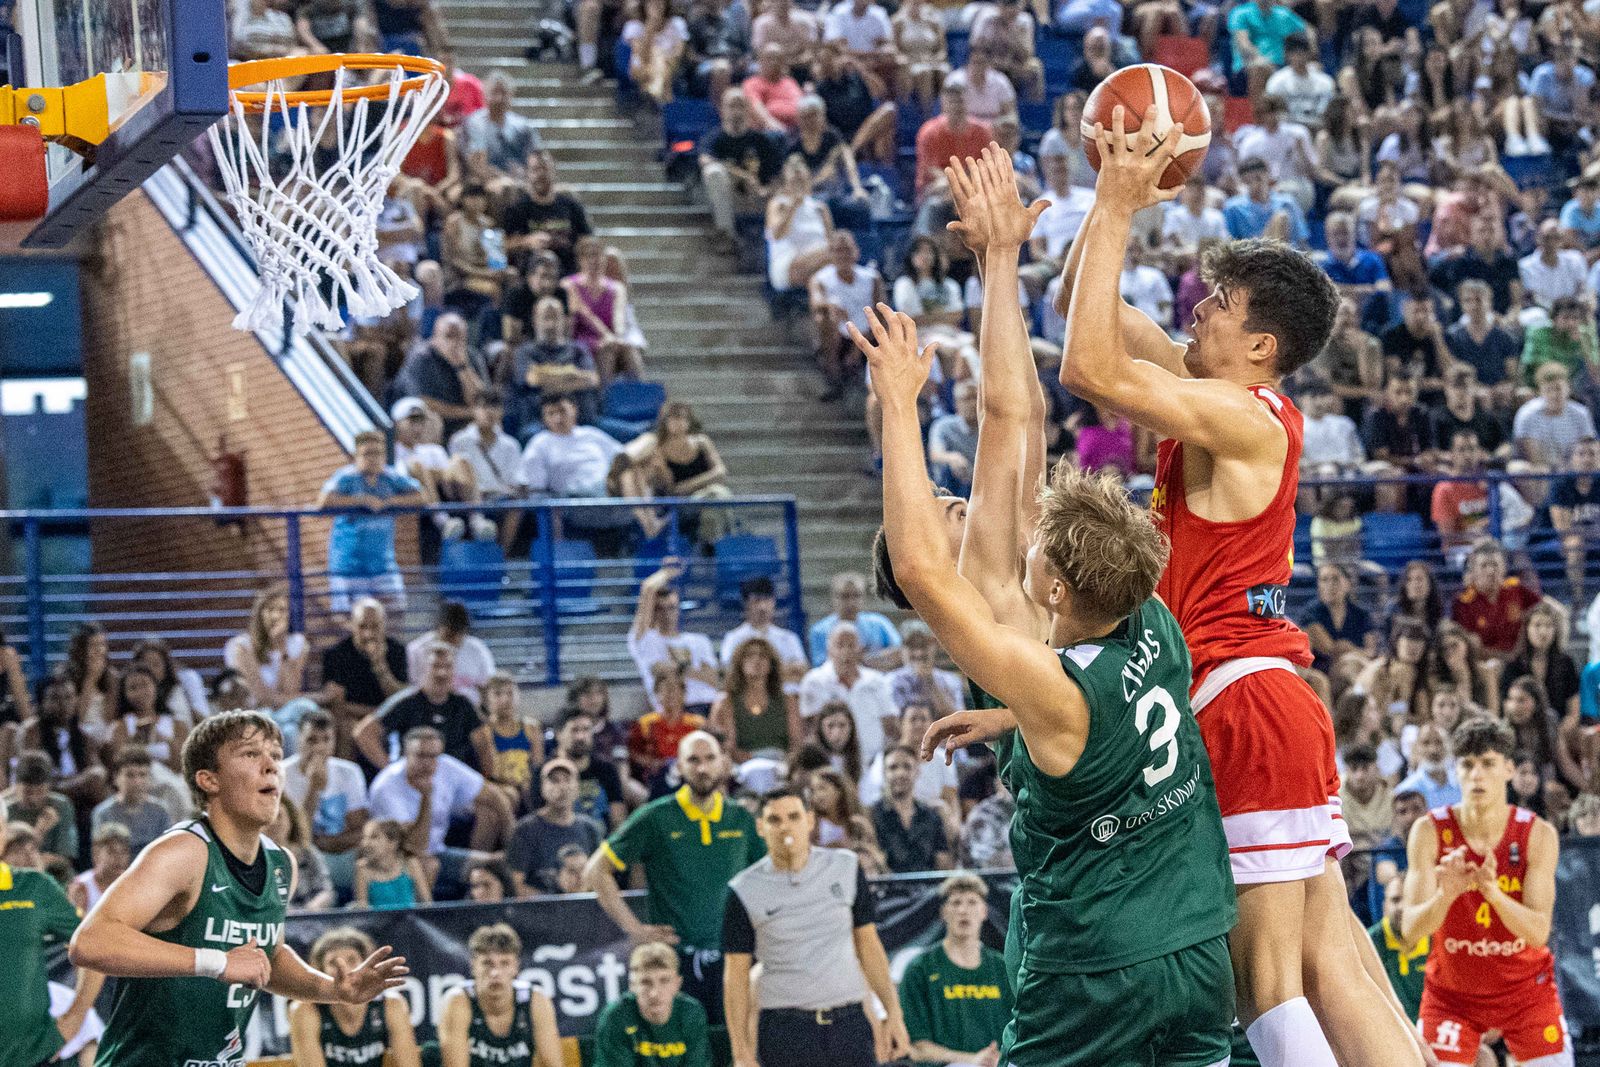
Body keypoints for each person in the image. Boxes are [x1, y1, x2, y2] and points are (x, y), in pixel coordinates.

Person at [1048, 118, 1425, 1064]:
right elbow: (1078, 307)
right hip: (1267, 697)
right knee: (1331, 960)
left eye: (1218, 300)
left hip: (1241, 698)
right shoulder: (1219, 398)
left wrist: (1122, 203)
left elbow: (1085, 367)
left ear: (1261, 344)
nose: (1197, 306)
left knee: (1267, 984)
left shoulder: (1242, 416)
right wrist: (1110, 192)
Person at [865, 285, 1238, 1067]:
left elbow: (1007, 437)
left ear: (1060, 587)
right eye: (937, 502)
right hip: (1195, 930)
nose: (955, 498)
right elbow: (1010, 428)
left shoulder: (1039, 655)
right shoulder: (1143, 610)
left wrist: (898, 404)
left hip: (1096, 944)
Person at [70, 711, 408, 1065]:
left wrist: (332, 990)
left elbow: (268, 956)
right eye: (250, 754)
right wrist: (216, 961)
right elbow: (91, 941)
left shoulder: (281, 864)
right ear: (209, 780)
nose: (271, 766)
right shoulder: (185, 852)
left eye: (276, 755)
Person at [1400, 718, 1569, 1067]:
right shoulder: (1429, 831)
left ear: (1509, 769)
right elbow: (1410, 930)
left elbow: (1538, 933)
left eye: (1488, 764)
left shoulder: (1538, 834)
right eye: (1467, 765)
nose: (1477, 775)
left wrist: (1491, 892)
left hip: (1526, 992)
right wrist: (1446, 895)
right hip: (1452, 997)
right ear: (1456, 770)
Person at [722, 787, 911, 1067]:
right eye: (774, 820)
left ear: (810, 821)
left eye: (794, 816)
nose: (785, 826)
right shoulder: (743, 890)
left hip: (849, 1022)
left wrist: (893, 1014)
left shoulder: (846, 868)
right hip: (785, 1028)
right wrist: (741, 1053)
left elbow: (868, 946)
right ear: (760, 827)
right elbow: (736, 976)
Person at [584, 731, 762, 1022]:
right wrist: (635, 929)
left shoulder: (741, 819)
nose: (702, 768)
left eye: (709, 759)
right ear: (678, 766)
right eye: (693, 760)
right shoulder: (656, 817)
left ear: (724, 763)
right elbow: (595, 871)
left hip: (733, 957)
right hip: (674, 963)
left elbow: (768, 877)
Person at [0, 794, 106, 1067]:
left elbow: (93, 947)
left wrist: (74, 1020)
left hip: (31, 1057)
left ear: (3, 833)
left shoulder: (35, 887)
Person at [367, 727, 513, 895]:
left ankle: (477, 916)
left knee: (498, 865)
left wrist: (512, 842)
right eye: (421, 756)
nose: (429, 763)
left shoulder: (445, 766)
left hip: (439, 852)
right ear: (405, 753)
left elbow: (495, 797)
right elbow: (414, 846)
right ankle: (418, 919)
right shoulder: (387, 787)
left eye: (434, 756)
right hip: (398, 860)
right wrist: (426, 798)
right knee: (429, 865)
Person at [898, 872, 1012, 1067]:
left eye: (971, 902)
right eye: (956, 903)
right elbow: (918, 1049)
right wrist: (972, 1060)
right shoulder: (919, 969)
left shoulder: (1002, 968)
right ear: (943, 912)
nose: (963, 911)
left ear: (984, 911)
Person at [317, 431, 427, 613]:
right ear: (356, 456)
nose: (373, 459)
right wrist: (362, 500)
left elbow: (421, 497)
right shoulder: (346, 478)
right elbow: (323, 501)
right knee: (348, 617)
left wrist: (389, 502)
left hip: (383, 565)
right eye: (367, 454)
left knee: (397, 610)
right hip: (348, 566)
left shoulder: (391, 477)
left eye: (378, 453)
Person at [289, 927, 422, 1067]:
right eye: (333, 963)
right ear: (320, 971)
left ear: (366, 966)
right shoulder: (305, 1010)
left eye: (352, 960)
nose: (344, 969)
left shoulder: (391, 1004)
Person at [437, 923, 562, 1067]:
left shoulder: (535, 1000)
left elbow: (553, 1064)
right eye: (487, 963)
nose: (495, 972)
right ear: (473, 966)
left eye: (504, 963)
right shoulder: (458, 1001)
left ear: (516, 967)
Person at [281, 708, 368, 893]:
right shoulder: (282, 774)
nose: (319, 747)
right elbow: (295, 834)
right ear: (298, 740)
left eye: (326, 739)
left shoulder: (349, 772)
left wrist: (329, 843)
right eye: (312, 740)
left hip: (341, 850)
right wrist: (313, 788)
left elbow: (359, 828)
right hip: (302, 854)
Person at [592, 942, 713, 1067]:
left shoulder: (691, 1013)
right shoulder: (616, 1016)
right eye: (645, 982)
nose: (654, 993)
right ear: (632, 985)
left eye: (664, 981)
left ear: (677, 984)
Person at [319, 598, 410, 761]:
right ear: (352, 625)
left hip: (389, 719)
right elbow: (337, 704)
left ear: (383, 625)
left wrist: (380, 666)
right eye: (362, 626)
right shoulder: (337, 654)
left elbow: (401, 699)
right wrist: (376, 714)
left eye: (375, 626)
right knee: (347, 729)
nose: (368, 634)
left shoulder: (397, 651)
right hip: (354, 717)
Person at [629, 563, 722, 714]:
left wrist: (678, 668)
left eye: (671, 608)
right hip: (672, 711)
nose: (666, 614)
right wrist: (667, 572)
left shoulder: (699, 640)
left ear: (678, 609)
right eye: (660, 609)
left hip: (708, 707)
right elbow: (648, 589)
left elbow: (714, 679)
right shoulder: (645, 640)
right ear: (652, 612)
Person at [800, 622, 898, 763]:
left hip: (873, 762)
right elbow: (809, 729)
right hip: (831, 762)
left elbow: (891, 726)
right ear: (829, 649)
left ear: (860, 648)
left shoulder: (877, 681)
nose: (845, 651)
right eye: (840, 645)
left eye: (851, 645)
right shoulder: (814, 681)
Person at [508, 756, 604, 896]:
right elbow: (516, 886)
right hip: (541, 913)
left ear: (577, 787)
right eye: (554, 780)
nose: (562, 786)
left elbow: (601, 877)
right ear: (542, 788)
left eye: (567, 779)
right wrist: (556, 905)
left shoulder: (590, 828)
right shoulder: (525, 830)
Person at [710, 636, 802, 762]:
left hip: (782, 763)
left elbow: (796, 742)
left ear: (771, 664)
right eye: (750, 656)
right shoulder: (725, 702)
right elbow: (725, 746)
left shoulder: (788, 701)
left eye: (763, 656)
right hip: (740, 766)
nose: (756, 660)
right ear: (740, 663)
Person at [224, 586, 311, 715]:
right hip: (254, 713)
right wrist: (311, 697)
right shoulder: (241, 646)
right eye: (270, 609)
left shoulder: (298, 644)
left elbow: (290, 690)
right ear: (259, 613)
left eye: (282, 610)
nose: (276, 616)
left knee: (304, 710)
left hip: (286, 713)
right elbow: (260, 697)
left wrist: (281, 647)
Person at [1450, 539, 1540, 656]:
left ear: (1504, 568)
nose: (1491, 571)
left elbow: (1545, 609)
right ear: (1473, 571)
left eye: (1495, 564)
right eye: (1484, 566)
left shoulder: (1516, 589)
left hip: (1520, 661)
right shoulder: (1463, 602)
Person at [718, 576, 808, 687]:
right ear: (746, 604)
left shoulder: (788, 638)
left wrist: (754, 672)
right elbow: (729, 674)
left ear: (774, 602)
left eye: (767, 600)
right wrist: (782, 671)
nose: (762, 607)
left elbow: (801, 672)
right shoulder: (733, 638)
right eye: (757, 601)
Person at [405, 601, 496, 703]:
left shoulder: (478, 650)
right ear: (438, 628)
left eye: (460, 634)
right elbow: (411, 688)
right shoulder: (416, 650)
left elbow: (488, 687)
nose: (454, 641)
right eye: (449, 635)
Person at [91, 746, 175, 854]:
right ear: (116, 778)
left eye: (142, 775)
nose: (137, 782)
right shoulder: (103, 813)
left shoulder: (161, 811)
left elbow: (167, 851)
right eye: (130, 775)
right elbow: (100, 855)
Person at [807, 571, 901, 665]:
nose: (851, 603)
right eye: (844, 596)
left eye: (856, 595)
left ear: (864, 597)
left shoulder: (879, 623)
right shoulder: (819, 630)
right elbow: (820, 665)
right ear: (833, 598)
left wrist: (863, 659)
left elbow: (899, 652)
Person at [352, 817, 432, 909]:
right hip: (377, 923)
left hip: (408, 922)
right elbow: (362, 910)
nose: (365, 843)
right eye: (364, 838)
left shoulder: (410, 863)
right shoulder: (362, 869)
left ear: (393, 843)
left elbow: (427, 903)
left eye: (374, 837)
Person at [70, 822, 132, 913]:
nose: (118, 858)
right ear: (96, 853)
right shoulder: (81, 887)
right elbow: (76, 919)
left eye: (124, 852)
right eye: (111, 852)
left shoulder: (133, 883)